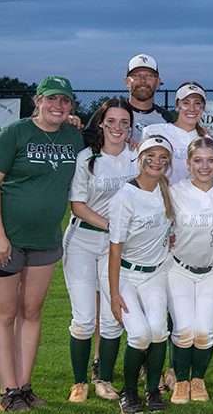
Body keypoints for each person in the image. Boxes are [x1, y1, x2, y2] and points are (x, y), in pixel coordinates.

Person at [0, 75, 84, 412]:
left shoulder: (74, 136)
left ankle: (23, 386)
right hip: (4, 237)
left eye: (64, 101)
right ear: (37, 101)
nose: (57, 105)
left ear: (71, 106)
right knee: (4, 313)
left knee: (32, 311)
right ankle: (7, 392)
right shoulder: (15, 133)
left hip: (45, 240)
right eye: (51, 98)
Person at [64, 99, 137, 403]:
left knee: (112, 316)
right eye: (111, 121)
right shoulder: (87, 157)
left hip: (117, 247)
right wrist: (111, 224)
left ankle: (103, 379)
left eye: (124, 122)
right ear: (101, 123)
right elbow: (77, 206)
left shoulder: (137, 156)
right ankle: (79, 383)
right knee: (83, 318)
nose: (117, 127)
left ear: (131, 127)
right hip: (83, 240)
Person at [107, 136, 175, 414]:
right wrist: (114, 294)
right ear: (139, 158)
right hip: (126, 274)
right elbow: (115, 248)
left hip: (155, 273)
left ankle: (152, 390)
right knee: (138, 335)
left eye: (163, 158)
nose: (156, 162)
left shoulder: (165, 189)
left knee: (158, 331)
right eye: (151, 156)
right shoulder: (125, 197)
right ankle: (129, 390)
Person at [166, 137, 213, 404]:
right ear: (188, 163)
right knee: (184, 331)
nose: (204, 166)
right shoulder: (175, 191)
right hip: (180, 269)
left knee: (204, 331)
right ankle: (181, 382)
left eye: (210, 160)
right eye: (198, 160)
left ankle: (198, 380)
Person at [80, 54, 172, 146]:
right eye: (136, 75)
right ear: (127, 82)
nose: (143, 80)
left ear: (158, 82)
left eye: (149, 75)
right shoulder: (110, 112)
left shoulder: (165, 118)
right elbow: (85, 143)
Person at [143, 82, 207, 184]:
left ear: (203, 107)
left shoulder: (207, 140)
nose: (192, 108)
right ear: (177, 106)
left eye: (197, 103)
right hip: (162, 193)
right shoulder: (155, 132)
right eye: (186, 103)